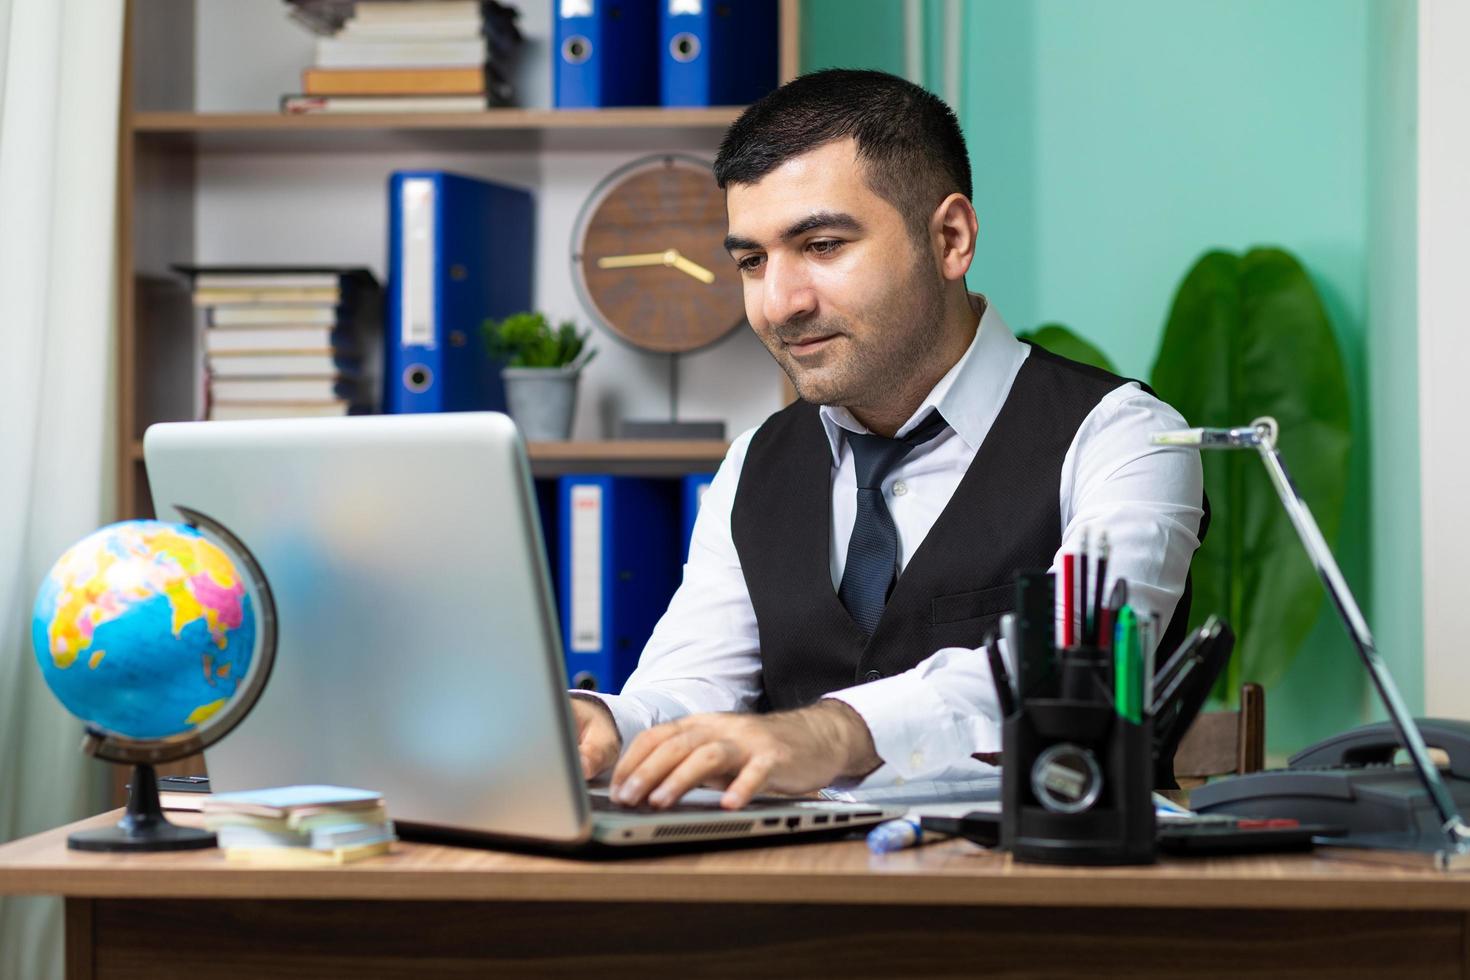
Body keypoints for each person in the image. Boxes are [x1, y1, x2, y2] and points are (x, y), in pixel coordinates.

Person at [570, 68, 1205, 810]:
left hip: (1045, 901)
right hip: (802, 900)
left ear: (951, 238)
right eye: (752, 261)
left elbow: (1076, 665)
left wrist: (832, 733)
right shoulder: (756, 464)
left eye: (823, 245)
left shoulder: (1124, 438)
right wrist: (608, 724)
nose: (779, 303)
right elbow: (693, 685)